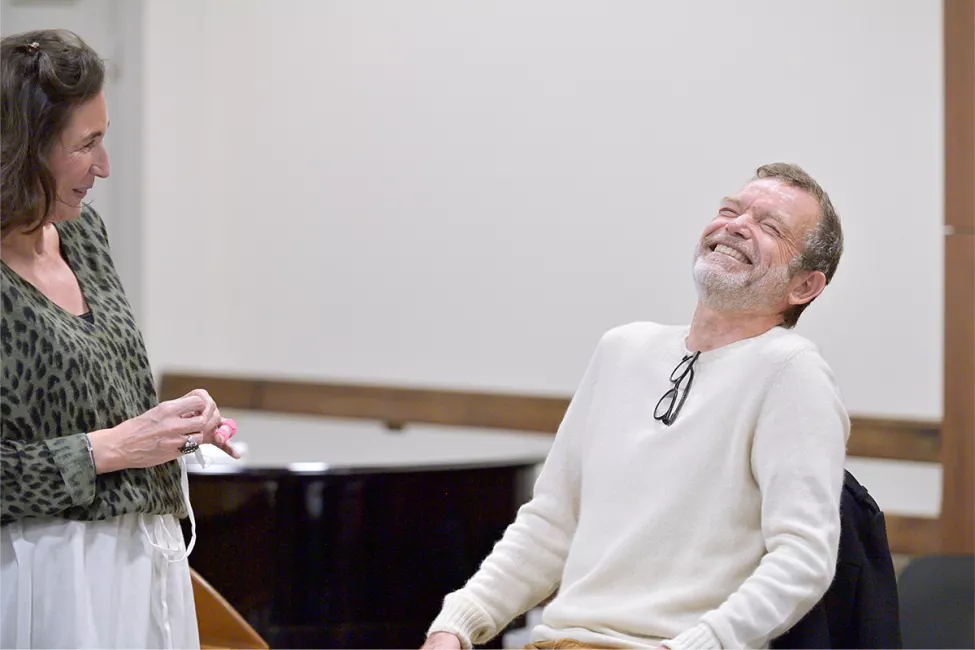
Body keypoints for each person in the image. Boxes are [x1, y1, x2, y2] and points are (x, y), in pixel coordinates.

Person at [421, 163, 849, 650]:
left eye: (769, 226)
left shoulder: (790, 370)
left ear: (804, 287)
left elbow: (803, 559)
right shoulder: (621, 349)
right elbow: (551, 524)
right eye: (730, 210)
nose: (736, 225)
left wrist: (696, 646)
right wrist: (456, 623)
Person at [0, 29, 240, 649]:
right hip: (44, 574)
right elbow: (96, 444)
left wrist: (171, 425)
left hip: (139, 557)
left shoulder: (82, 235)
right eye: (89, 144)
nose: (105, 166)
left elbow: (102, 405)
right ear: (24, 150)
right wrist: (106, 449)